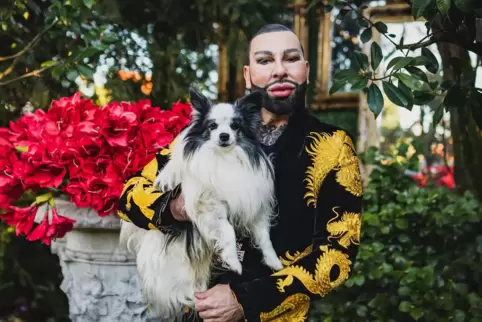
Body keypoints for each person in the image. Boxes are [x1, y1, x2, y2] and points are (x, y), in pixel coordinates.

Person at [117, 24, 363, 322]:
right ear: (248, 75)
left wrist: (245, 300)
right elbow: (129, 197)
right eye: (265, 60)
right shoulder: (209, 133)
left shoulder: (332, 146)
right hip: (188, 308)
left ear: (306, 71)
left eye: (291, 59)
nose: (279, 70)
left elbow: (337, 255)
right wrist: (178, 207)